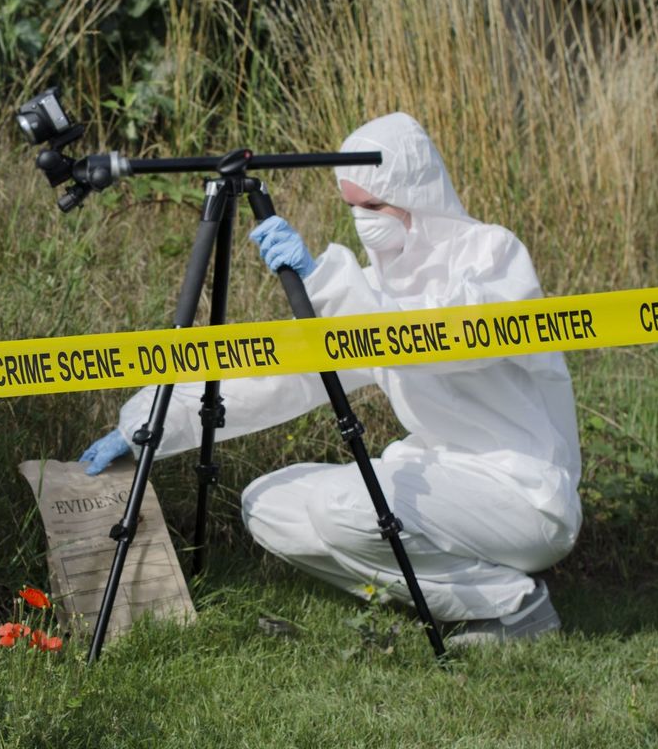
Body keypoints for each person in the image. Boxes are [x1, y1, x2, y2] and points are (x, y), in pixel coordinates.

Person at [80, 113, 582, 645]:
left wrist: (326, 286)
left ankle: (517, 609)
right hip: (443, 479)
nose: (364, 221)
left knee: (344, 508)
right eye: (352, 208)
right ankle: (463, 595)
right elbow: (283, 378)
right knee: (269, 505)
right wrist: (146, 425)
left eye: (375, 206)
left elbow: (448, 343)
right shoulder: (368, 291)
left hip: (525, 492)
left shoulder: (491, 255)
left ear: (417, 196)